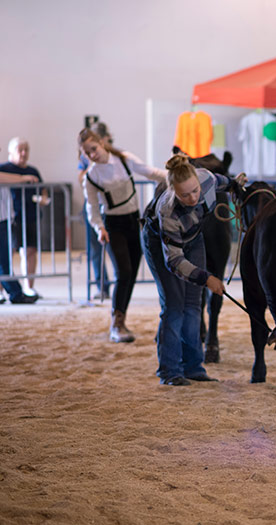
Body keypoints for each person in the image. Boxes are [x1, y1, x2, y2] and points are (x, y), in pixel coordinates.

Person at [141, 154, 246, 386]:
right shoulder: (167, 210)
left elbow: (224, 182)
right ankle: (169, 371)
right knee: (174, 305)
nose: (192, 198)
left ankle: (194, 368)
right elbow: (174, 260)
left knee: (193, 304)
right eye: (184, 195)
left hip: (194, 237)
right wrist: (207, 277)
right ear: (173, 191)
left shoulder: (206, 179)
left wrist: (236, 184)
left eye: (195, 191)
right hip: (162, 245)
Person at [79, 128, 167, 342]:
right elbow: (91, 206)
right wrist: (99, 228)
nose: (92, 155)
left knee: (132, 271)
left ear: (101, 143)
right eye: (87, 153)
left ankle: (121, 318)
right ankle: (116, 323)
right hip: (112, 224)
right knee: (124, 271)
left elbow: (150, 172)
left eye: (93, 149)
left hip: (133, 220)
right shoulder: (91, 176)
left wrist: (176, 176)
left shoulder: (124, 159)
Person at [0, 138, 47, 297]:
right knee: (5, 256)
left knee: (27, 251)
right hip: (11, 218)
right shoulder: (4, 169)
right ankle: (9, 292)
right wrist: (22, 179)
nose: (23, 153)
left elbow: (43, 190)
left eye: (26, 149)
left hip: (24, 216)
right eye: (20, 149)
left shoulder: (33, 170)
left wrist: (43, 199)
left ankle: (25, 289)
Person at [79, 123, 113, 299]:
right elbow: (81, 177)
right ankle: (102, 286)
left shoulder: (115, 157)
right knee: (95, 249)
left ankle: (119, 283)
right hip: (94, 206)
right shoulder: (87, 158)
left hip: (113, 207)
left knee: (115, 249)